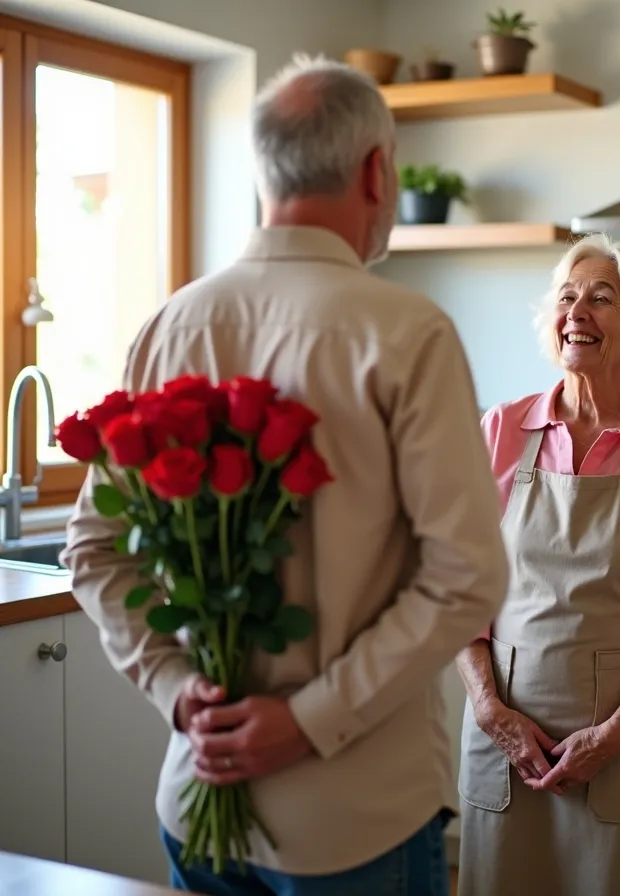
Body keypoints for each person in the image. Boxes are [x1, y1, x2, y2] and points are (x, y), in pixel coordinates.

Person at [61, 53, 509, 896]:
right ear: (378, 173)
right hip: (356, 822)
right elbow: (468, 576)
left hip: (199, 802)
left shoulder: (173, 322)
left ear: (264, 171)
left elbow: (91, 549)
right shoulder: (407, 331)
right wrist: (308, 723)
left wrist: (175, 689)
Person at [455, 232, 620, 896]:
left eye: (602, 298)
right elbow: (456, 585)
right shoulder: (501, 430)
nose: (577, 311)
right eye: (567, 297)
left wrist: (615, 733)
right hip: (503, 729)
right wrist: (490, 710)